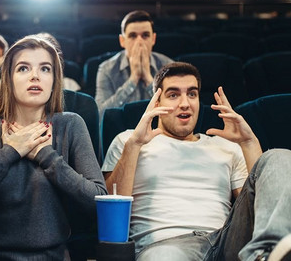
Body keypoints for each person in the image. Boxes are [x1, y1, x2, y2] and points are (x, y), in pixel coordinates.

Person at [102, 62, 291, 261]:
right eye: (173, 95)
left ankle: (269, 253)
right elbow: (111, 209)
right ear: (156, 102)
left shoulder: (225, 146)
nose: (185, 103)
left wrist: (248, 142)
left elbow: (257, 206)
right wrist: (134, 146)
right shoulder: (129, 141)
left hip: (224, 241)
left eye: (192, 94)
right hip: (165, 246)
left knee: (279, 156)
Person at [0, 35, 107, 260]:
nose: (35, 76)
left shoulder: (71, 124)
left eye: (45, 69)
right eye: (23, 68)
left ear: (54, 80)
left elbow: (99, 204)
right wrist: (9, 153)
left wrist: (46, 155)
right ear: (8, 79)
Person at [95, 10, 174, 118]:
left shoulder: (168, 66)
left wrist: (148, 79)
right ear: (122, 41)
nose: (139, 42)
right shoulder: (106, 69)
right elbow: (100, 115)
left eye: (145, 35)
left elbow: (173, 111)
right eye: (133, 36)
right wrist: (133, 79)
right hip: (120, 130)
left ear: (153, 39)